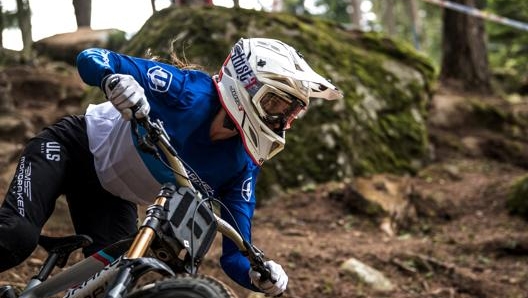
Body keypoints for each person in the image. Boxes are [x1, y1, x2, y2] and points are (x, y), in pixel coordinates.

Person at [0, 37, 343, 296]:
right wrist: (114, 80)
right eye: (275, 104)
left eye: (289, 113)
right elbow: (92, 57)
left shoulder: (243, 166)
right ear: (245, 84)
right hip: (70, 147)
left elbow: (235, 253)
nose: (281, 120)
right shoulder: (187, 91)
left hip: (109, 193)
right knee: (14, 237)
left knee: (108, 289)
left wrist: (259, 276)